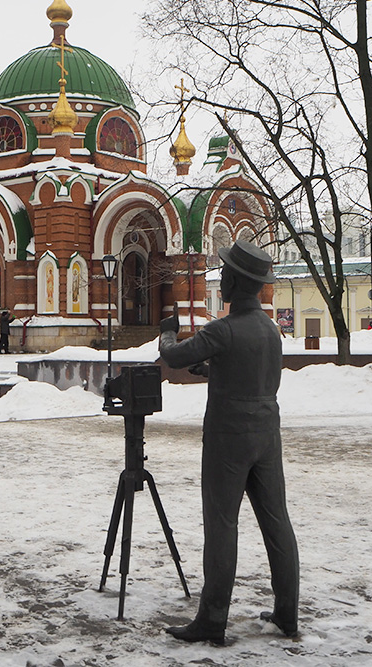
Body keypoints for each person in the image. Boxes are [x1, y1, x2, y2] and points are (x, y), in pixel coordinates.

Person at [158, 240, 299, 645]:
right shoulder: (271, 330)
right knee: (277, 522)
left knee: (222, 526)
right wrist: (215, 371)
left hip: (228, 438)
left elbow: (176, 357)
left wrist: (167, 336)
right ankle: (287, 615)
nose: (221, 277)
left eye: (224, 273)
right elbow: (248, 372)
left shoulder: (223, 329)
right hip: (267, 435)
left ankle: (212, 619)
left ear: (235, 282)